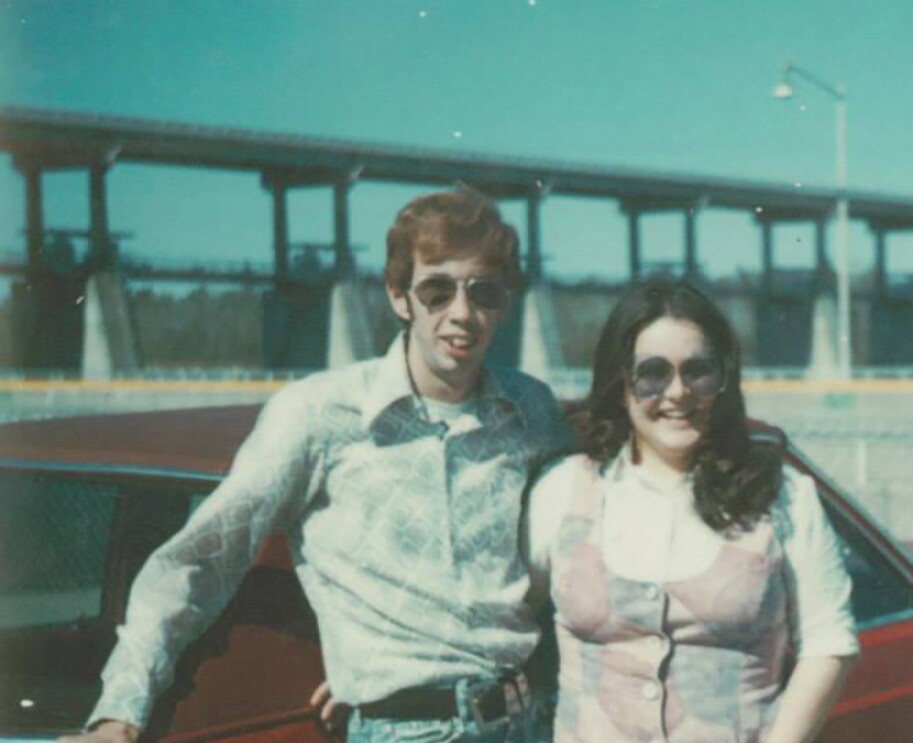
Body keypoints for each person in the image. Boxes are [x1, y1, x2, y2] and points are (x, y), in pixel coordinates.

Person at [60, 187, 574, 743]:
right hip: (409, 732)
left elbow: (578, 545)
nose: (462, 314)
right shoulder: (319, 415)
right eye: (437, 290)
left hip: (530, 721)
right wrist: (120, 710)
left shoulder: (531, 410)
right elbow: (200, 561)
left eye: (484, 293)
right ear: (399, 296)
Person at [525, 278, 859, 743]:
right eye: (653, 373)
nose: (678, 392)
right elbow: (516, 617)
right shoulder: (562, 491)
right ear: (621, 384)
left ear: (724, 379)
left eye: (698, 371)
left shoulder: (784, 495)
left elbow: (830, 644)